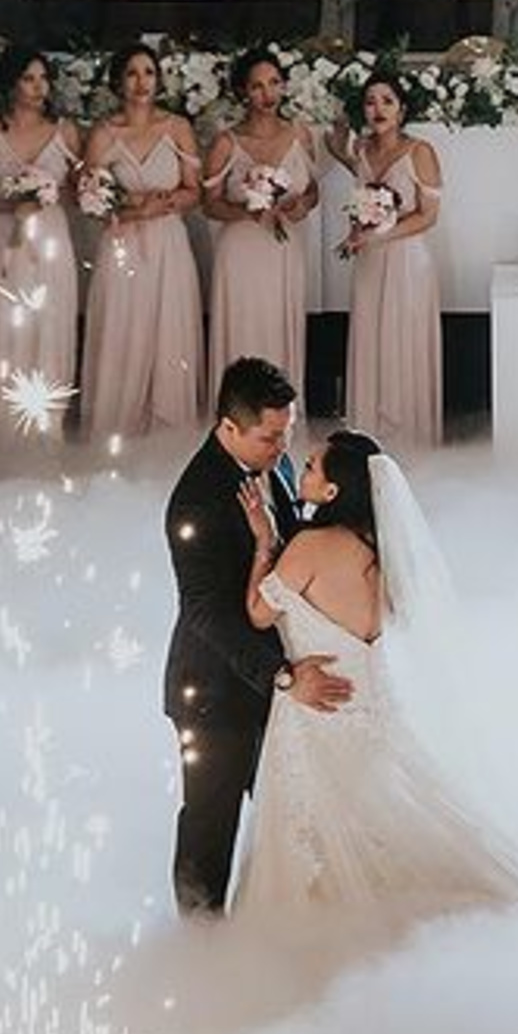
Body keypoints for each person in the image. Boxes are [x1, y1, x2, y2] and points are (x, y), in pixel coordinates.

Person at [232, 427, 518, 923]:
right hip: (375, 704)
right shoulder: (384, 554)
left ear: (332, 491)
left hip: (315, 710)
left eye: (313, 467)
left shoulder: (310, 548)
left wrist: (262, 543)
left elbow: (256, 612)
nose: (304, 469)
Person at [163, 357, 351, 915]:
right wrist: (284, 676)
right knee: (210, 824)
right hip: (215, 692)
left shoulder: (278, 461)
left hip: (276, 685)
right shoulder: (195, 501)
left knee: (289, 816)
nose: (281, 448)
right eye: (269, 437)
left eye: (286, 434)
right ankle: (199, 946)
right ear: (228, 428)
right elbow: (206, 614)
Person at [0, 45, 81, 458]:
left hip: (49, 240)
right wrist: (12, 203)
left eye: (43, 78)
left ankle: (45, 432)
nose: (38, 87)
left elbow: (79, 191)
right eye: (29, 78)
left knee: (50, 327)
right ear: (11, 83)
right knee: (4, 330)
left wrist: (48, 194)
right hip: (1, 240)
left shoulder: (65, 133)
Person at [77, 43, 204, 447]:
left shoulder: (177, 127)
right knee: (122, 323)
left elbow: (193, 191)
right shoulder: (103, 133)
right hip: (122, 243)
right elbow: (91, 200)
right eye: (132, 73)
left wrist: (162, 204)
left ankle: (167, 425)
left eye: (148, 72)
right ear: (118, 81)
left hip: (168, 240)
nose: (141, 81)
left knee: (168, 327)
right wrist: (133, 207)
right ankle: (117, 421)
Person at [327, 70, 444, 448]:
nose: (378, 109)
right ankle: (370, 432)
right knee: (370, 337)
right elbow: (360, 199)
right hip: (370, 262)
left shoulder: (420, 152)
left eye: (387, 101)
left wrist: (380, 234)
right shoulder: (361, 150)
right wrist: (354, 234)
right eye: (370, 101)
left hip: (407, 260)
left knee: (401, 339)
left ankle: (408, 433)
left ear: (402, 109)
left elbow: (428, 215)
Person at [203, 48, 318, 408]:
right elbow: (209, 204)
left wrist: (303, 204)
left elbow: (313, 189)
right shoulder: (227, 142)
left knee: (280, 328)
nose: (267, 94)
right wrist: (248, 212)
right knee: (242, 330)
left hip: (284, 249)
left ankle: (280, 417)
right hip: (240, 251)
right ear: (243, 92)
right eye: (257, 86)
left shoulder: (300, 134)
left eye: (273, 83)